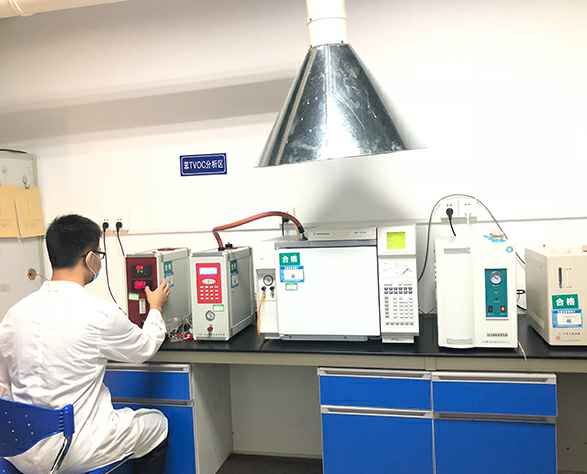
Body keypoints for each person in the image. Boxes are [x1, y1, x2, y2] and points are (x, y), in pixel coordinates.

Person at [0, 215, 171, 474]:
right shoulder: (98, 313)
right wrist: (155, 308)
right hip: (73, 450)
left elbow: (3, 384)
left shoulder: (14, 314)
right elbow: (144, 348)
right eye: (99, 255)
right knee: (157, 424)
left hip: (19, 451)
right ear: (91, 258)